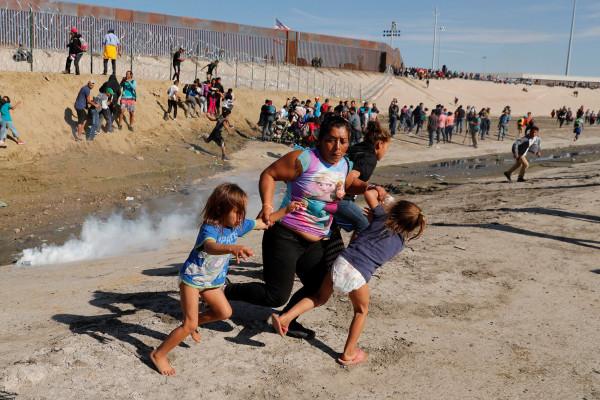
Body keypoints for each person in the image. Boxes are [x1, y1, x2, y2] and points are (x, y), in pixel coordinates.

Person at [224, 116, 386, 340]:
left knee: (320, 286)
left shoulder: (345, 164)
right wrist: (268, 206)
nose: (337, 147)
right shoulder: (304, 159)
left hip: (317, 239)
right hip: (284, 235)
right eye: (331, 140)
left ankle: (289, 319)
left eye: (343, 141)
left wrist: (369, 186)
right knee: (275, 296)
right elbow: (269, 175)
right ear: (320, 140)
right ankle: (226, 291)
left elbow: (347, 185)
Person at [150, 183, 302, 376]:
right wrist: (232, 248)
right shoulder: (210, 228)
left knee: (224, 312)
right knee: (188, 323)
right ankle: (159, 354)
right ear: (221, 210)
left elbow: (263, 223)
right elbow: (210, 247)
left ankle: (194, 323)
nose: (241, 217)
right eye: (236, 212)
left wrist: (286, 210)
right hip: (192, 280)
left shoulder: (237, 226)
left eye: (242, 212)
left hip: (212, 281)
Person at [271, 191, 425, 366]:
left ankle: (285, 318)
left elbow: (368, 193)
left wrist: (383, 196)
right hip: (358, 274)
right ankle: (349, 353)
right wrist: (379, 215)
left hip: (341, 261)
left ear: (394, 210)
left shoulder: (381, 217)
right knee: (361, 311)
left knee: (319, 298)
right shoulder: (399, 244)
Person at [335, 121, 391, 234]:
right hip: (340, 199)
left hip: (327, 191)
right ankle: (354, 252)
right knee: (364, 225)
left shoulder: (357, 147)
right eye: (386, 148)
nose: (385, 151)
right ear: (379, 144)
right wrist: (372, 187)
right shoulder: (370, 158)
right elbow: (349, 179)